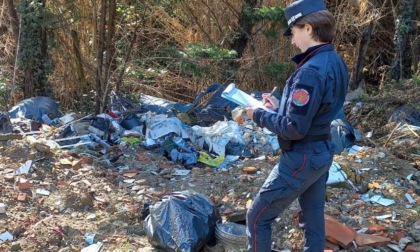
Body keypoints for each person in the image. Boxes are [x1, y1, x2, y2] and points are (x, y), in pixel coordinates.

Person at [244, 0, 349, 251]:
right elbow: (316, 110)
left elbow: (294, 128)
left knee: (257, 218)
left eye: (293, 32)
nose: (292, 40)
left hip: (302, 156)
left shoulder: (309, 71)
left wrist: (258, 114)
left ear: (309, 28)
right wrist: (278, 106)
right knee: (313, 220)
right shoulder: (334, 60)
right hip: (322, 152)